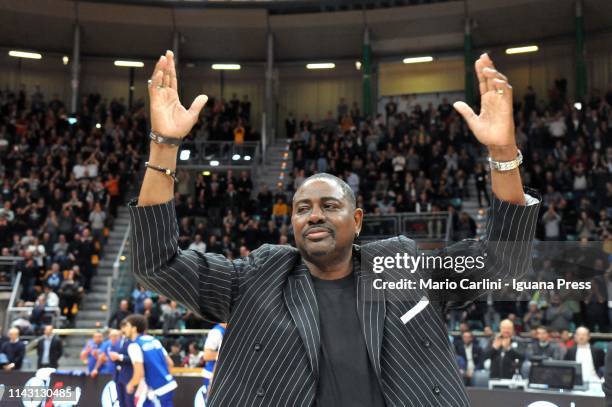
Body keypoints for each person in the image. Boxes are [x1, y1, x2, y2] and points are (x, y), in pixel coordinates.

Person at [129, 50, 540, 406]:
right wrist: (164, 144)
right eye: (302, 208)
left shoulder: (404, 268)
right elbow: (157, 262)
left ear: (357, 220)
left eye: (329, 205)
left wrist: (503, 151)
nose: (314, 216)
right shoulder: (257, 278)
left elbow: (504, 259)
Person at [124, 314, 176, 407]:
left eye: (127, 326)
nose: (124, 329)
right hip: (167, 385)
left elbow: (139, 373)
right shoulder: (154, 340)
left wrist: (130, 385)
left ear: (134, 328)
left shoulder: (134, 346)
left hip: (157, 390)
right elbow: (170, 363)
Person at [108, 320, 134, 407]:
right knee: (121, 402)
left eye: (125, 326)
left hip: (128, 376)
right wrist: (114, 358)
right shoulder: (118, 342)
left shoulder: (133, 341)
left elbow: (135, 359)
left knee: (129, 402)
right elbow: (116, 357)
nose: (123, 329)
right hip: (118, 376)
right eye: (122, 327)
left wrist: (120, 357)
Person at [202, 323, 227, 393]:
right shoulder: (216, 332)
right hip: (212, 375)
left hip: (222, 375)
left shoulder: (226, 330)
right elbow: (206, 355)